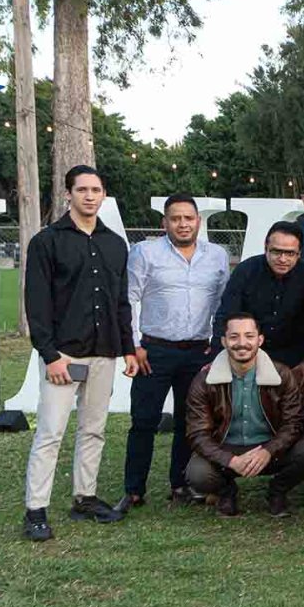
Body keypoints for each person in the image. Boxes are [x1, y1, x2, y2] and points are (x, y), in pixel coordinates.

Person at [21, 165, 139, 541]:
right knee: (50, 432)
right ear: (68, 194)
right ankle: (35, 510)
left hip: (104, 352)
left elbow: (121, 303)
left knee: (94, 430)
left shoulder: (114, 244)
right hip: (64, 355)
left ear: (103, 195)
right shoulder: (47, 242)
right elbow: (36, 304)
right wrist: (50, 355)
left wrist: (129, 349)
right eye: (82, 189)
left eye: (96, 190)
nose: (90, 196)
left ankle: (84, 498)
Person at [121, 193, 230, 509]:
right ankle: (134, 489)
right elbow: (128, 299)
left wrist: (216, 342)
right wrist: (134, 345)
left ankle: (180, 484)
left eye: (188, 218)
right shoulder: (145, 252)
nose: (183, 224)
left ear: (198, 221)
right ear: (164, 222)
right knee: (144, 420)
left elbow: (222, 304)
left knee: (189, 421)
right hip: (154, 350)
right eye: (175, 218)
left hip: (198, 351)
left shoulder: (216, 255)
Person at [183, 312, 304, 516]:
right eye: (234, 337)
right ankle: (227, 492)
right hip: (226, 449)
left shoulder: (282, 374)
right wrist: (230, 460)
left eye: (249, 336)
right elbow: (197, 433)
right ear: (224, 341)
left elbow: (293, 424)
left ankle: (277, 491)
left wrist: (268, 451)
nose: (241, 343)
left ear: (260, 340)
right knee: (197, 473)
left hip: (270, 449)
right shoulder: (204, 380)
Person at [212, 222, 304, 369]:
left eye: (290, 253)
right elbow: (226, 314)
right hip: (247, 356)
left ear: (299, 253)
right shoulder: (246, 271)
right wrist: (218, 357)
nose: (282, 259)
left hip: (294, 361)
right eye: (276, 252)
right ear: (266, 248)